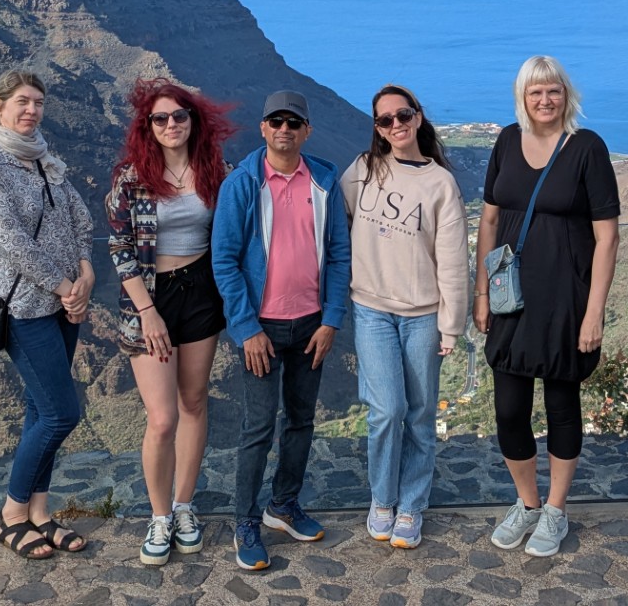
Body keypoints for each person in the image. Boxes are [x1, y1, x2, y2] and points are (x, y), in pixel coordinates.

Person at [473, 55, 620, 558]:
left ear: (566, 94)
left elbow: (607, 237)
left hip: (566, 299)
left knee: (562, 406)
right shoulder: (506, 142)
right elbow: (489, 222)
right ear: (523, 96)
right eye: (535, 91)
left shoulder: (587, 148)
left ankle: (556, 509)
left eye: (553, 90)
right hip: (510, 300)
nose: (545, 99)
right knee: (509, 411)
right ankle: (528, 503)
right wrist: (481, 293)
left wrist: (594, 312)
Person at [212, 90, 354, 571]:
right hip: (262, 329)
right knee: (258, 427)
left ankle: (284, 505)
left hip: (311, 324)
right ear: (263, 127)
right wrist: (246, 328)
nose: (284, 129)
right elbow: (224, 261)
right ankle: (245, 521)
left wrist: (332, 318)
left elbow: (339, 255)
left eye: (294, 122)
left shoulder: (324, 181)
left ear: (306, 130)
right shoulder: (243, 184)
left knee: (300, 420)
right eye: (276, 121)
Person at [0, 69, 98, 561]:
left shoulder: (43, 158)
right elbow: (11, 241)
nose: (32, 110)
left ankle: (39, 513)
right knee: (62, 414)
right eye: (22, 101)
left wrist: (86, 271)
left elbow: (79, 217)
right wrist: (67, 288)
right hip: (23, 308)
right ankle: (11, 513)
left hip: (64, 305)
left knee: (39, 411)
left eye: (38, 102)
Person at [107, 79, 236, 566]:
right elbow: (120, 248)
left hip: (200, 292)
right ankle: (158, 516)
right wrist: (147, 313)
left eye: (179, 115)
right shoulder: (132, 178)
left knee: (194, 402)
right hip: (150, 297)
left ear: (193, 120)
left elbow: (235, 228)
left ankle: (184, 507)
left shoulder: (215, 171)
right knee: (162, 418)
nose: (170, 125)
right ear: (148, 126)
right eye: (160, 118)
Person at [340, 85, 469, 550]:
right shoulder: (363, 170)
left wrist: (451, 325)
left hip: (422, 315)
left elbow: (452, 261)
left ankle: (411, 505)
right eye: (385, 120)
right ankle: (382, 498)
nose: (396, 125)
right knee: (386, 410)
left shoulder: (440, 183)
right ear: (377, 128)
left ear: (417, 117)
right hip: (371, 308)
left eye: (403, 115)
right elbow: (337, 221)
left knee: (419, 414)